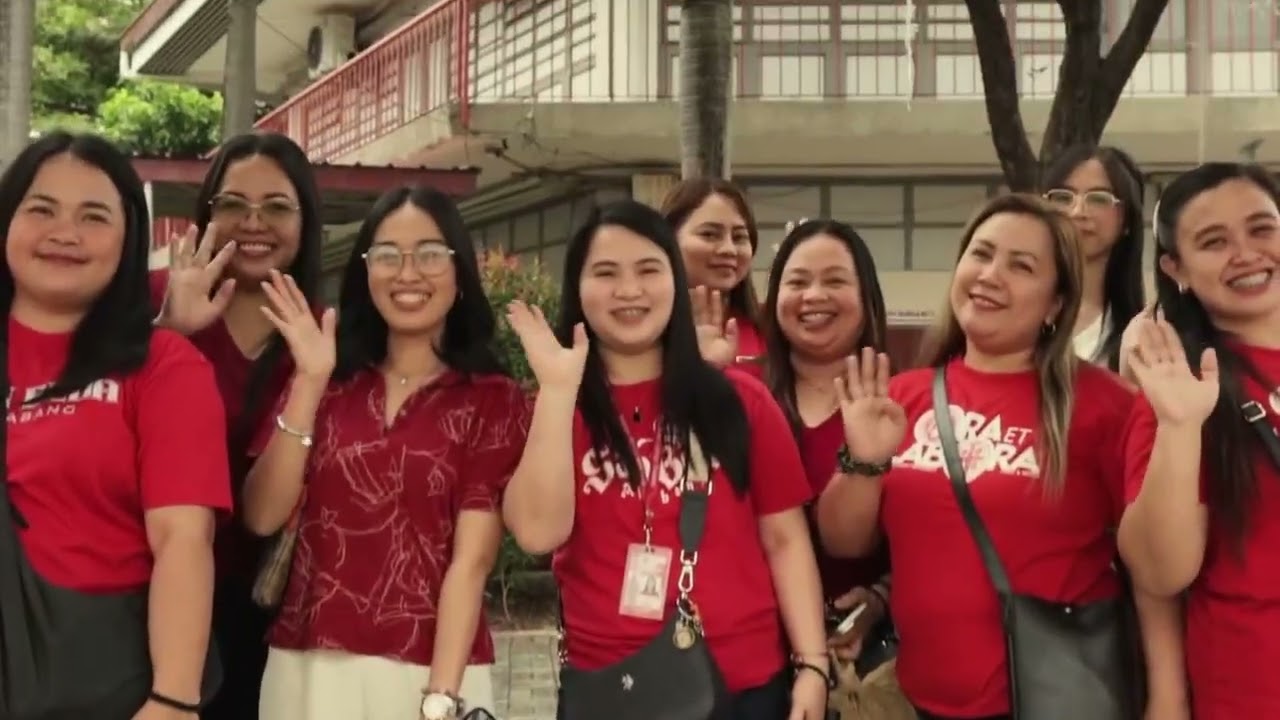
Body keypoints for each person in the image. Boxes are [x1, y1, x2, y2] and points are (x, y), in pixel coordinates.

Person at [816, 193, 1140, 720]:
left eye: (1022, 266)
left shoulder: (1106, 405)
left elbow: (1154, 572)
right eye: (981, 254)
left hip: (1055, 698)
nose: (992, 274)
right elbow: (844, 540)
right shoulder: (903, 396)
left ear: (1056, 303)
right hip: (918, 698)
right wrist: (864, 460)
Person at [503, 200, 829, 719]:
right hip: (607, 689)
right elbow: (537, 534)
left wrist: (813, 664)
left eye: (649, 270)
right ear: (578, 289)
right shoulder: (551, 408)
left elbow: (785, 539)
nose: (629, 291)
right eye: (606, 273)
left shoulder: (739, 401)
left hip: (742, 686)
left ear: (674, 281)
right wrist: (559, 390)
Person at [242, 186, 528, 720]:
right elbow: (262, 515)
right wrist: (308, 380)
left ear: (459, 270)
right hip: (307, 669)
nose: (408, 273)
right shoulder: (327, 378)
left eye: (429, 254)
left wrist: (441, 698)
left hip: (433, 673)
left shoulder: (493, 398)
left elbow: (473, 560)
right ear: (365, 272)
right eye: (389, 256)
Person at [2, 132, 229, 716]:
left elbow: (183, 538)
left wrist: (173, 700)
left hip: (105, 688)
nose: (64, 233)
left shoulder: (163, 366)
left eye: (93, 216)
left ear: (128, 239)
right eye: (41, 209)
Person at [150, 131, 324, 720]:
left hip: (284, 613)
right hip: (155, 598)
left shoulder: (330, 335)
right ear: (206, 213)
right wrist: (170, 328)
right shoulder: (156, 303)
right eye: (232, 204)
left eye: (277, 206)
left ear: (306, 223)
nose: (255, 223)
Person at [1119, 162, 1280, 719]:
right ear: (1175, 268)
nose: (1246, 252)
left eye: (1262, 228)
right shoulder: (1177, 389)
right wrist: (1181, 427)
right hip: (1252, 692)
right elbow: (1161, 571)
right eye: (1214, 242)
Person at [1042, 145, 1189, 717]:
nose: (1078, 210)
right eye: (1062, 195)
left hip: (1112, 586)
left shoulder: (1151, 333)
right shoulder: (1011, 325)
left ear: (1127, 219)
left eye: (1099, 198)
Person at [759, 219, 892, 658]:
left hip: (862, 663)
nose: (814, 296)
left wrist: (880, 598)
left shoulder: (901, 402)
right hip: (746, 658)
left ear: (866, 297)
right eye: (797, 281)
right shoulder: (740, 393)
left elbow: (932, 538)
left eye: (835, 281)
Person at [661, 178, 765, 364]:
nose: (729, 249)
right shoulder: (644, 333)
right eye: (709, 234)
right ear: (668, 239)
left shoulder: (773, 331)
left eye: (739, 237)